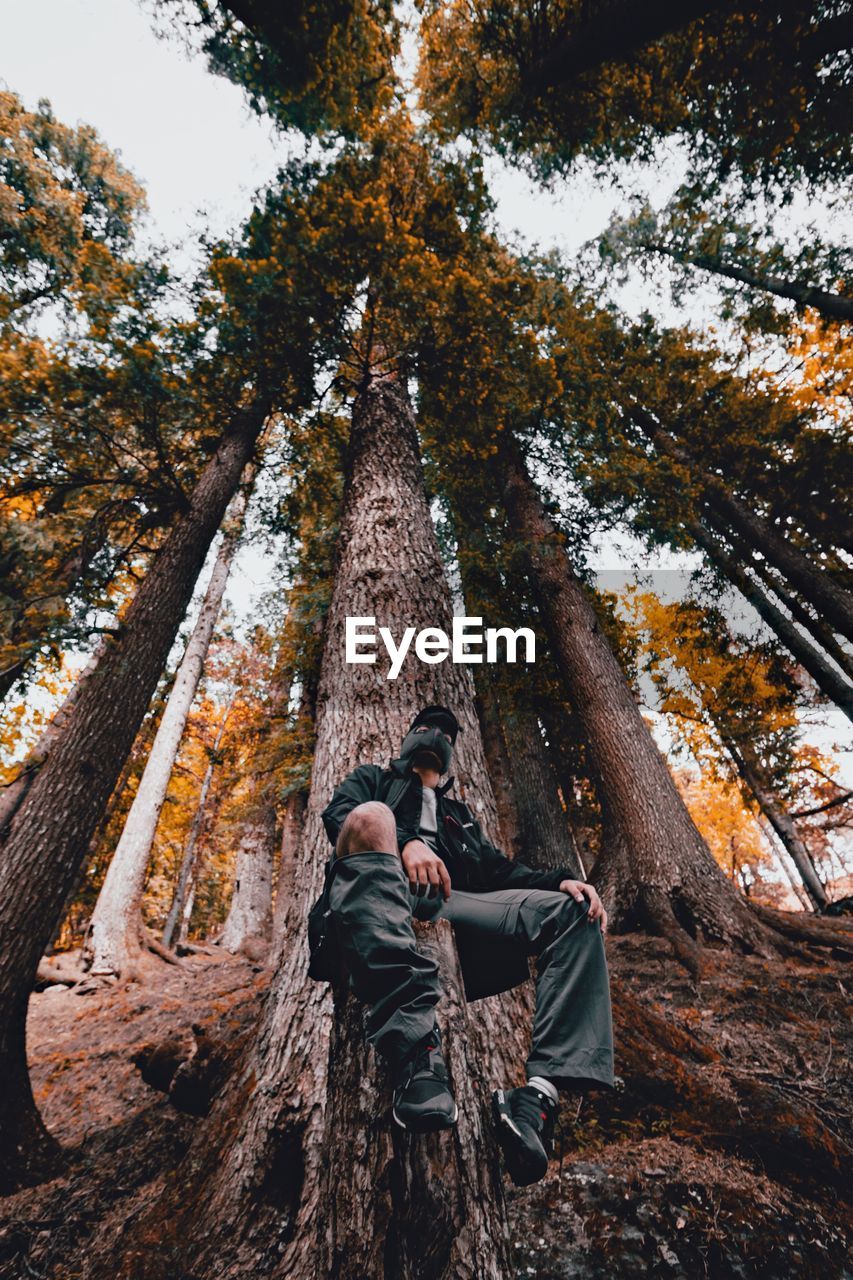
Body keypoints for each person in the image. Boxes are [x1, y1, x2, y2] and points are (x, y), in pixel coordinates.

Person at [321, 704, 614, 1187]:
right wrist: (407, 842)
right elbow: (339, 820)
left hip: (455, 905)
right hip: (379, 894)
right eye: (424, 727)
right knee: (371, 817)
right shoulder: (373, 779)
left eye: (445, 733)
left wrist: (565, 881)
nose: (434, 736)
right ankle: (416, 1056)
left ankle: (538, 1097)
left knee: (574, 913)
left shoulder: (459, 816)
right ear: (407, 737)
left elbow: (500, 872)